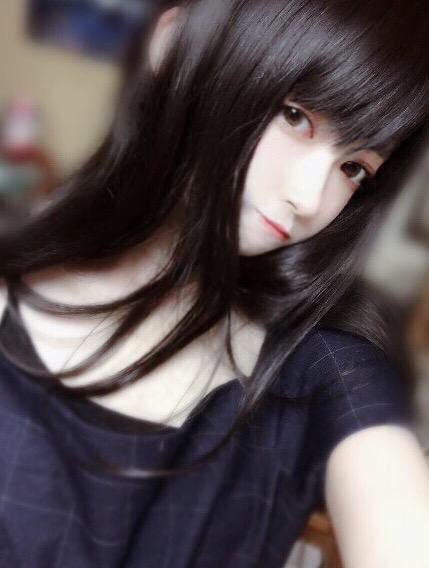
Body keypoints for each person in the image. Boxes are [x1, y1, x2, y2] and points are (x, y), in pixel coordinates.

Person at [0, 0, 429, 566]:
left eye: (354, 168)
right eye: (295, 116)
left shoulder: (324, 364)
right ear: (174, 43)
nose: (308, 197)